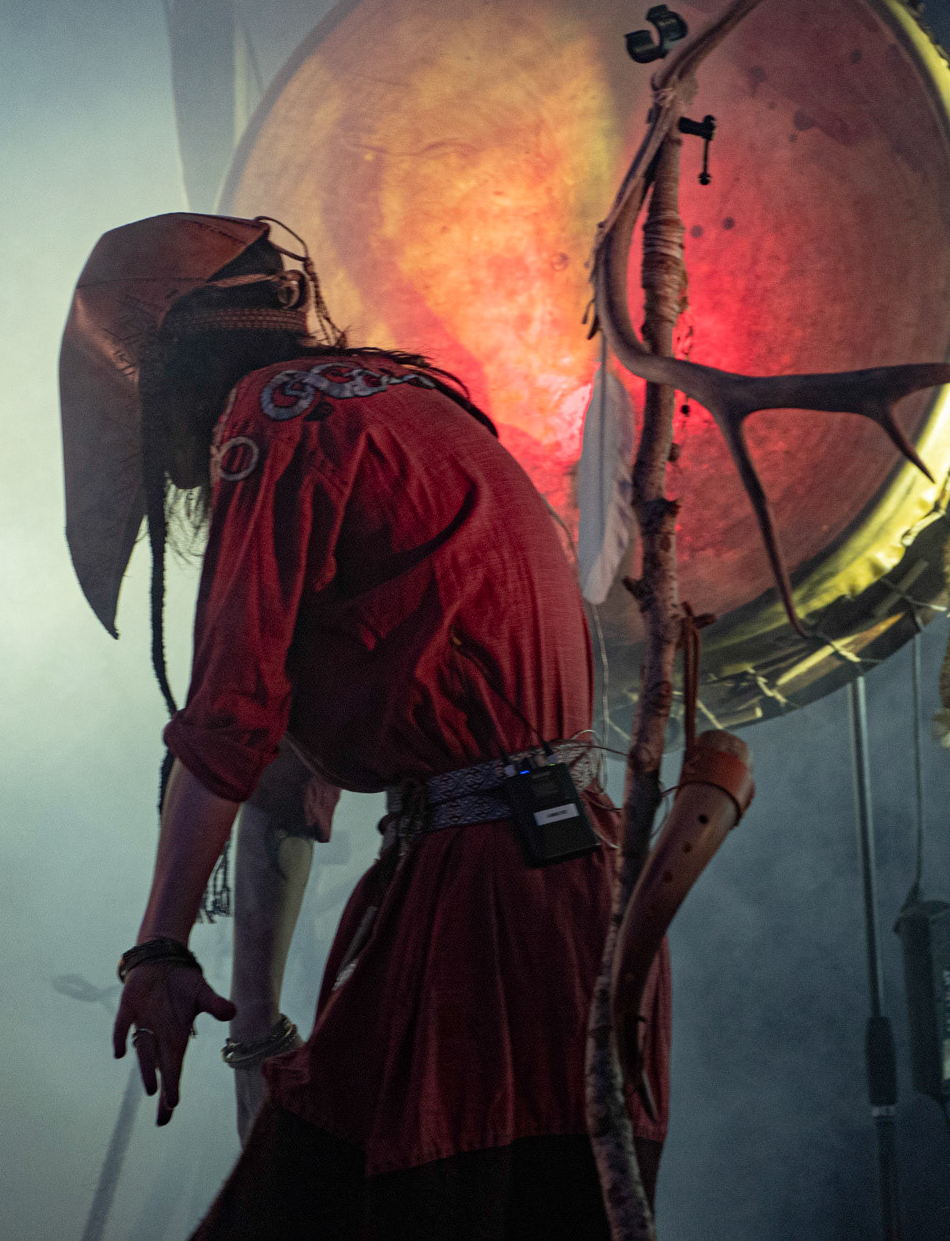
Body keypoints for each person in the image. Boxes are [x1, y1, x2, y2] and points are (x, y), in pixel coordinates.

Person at [60, 212, 668, 1240]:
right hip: (550, 878)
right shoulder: (393, 398)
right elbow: (283, 779)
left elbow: (228, 725)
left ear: (171, 358)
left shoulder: (277, 417)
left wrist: (157, 950)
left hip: (487, 898)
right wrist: (254, 1037)